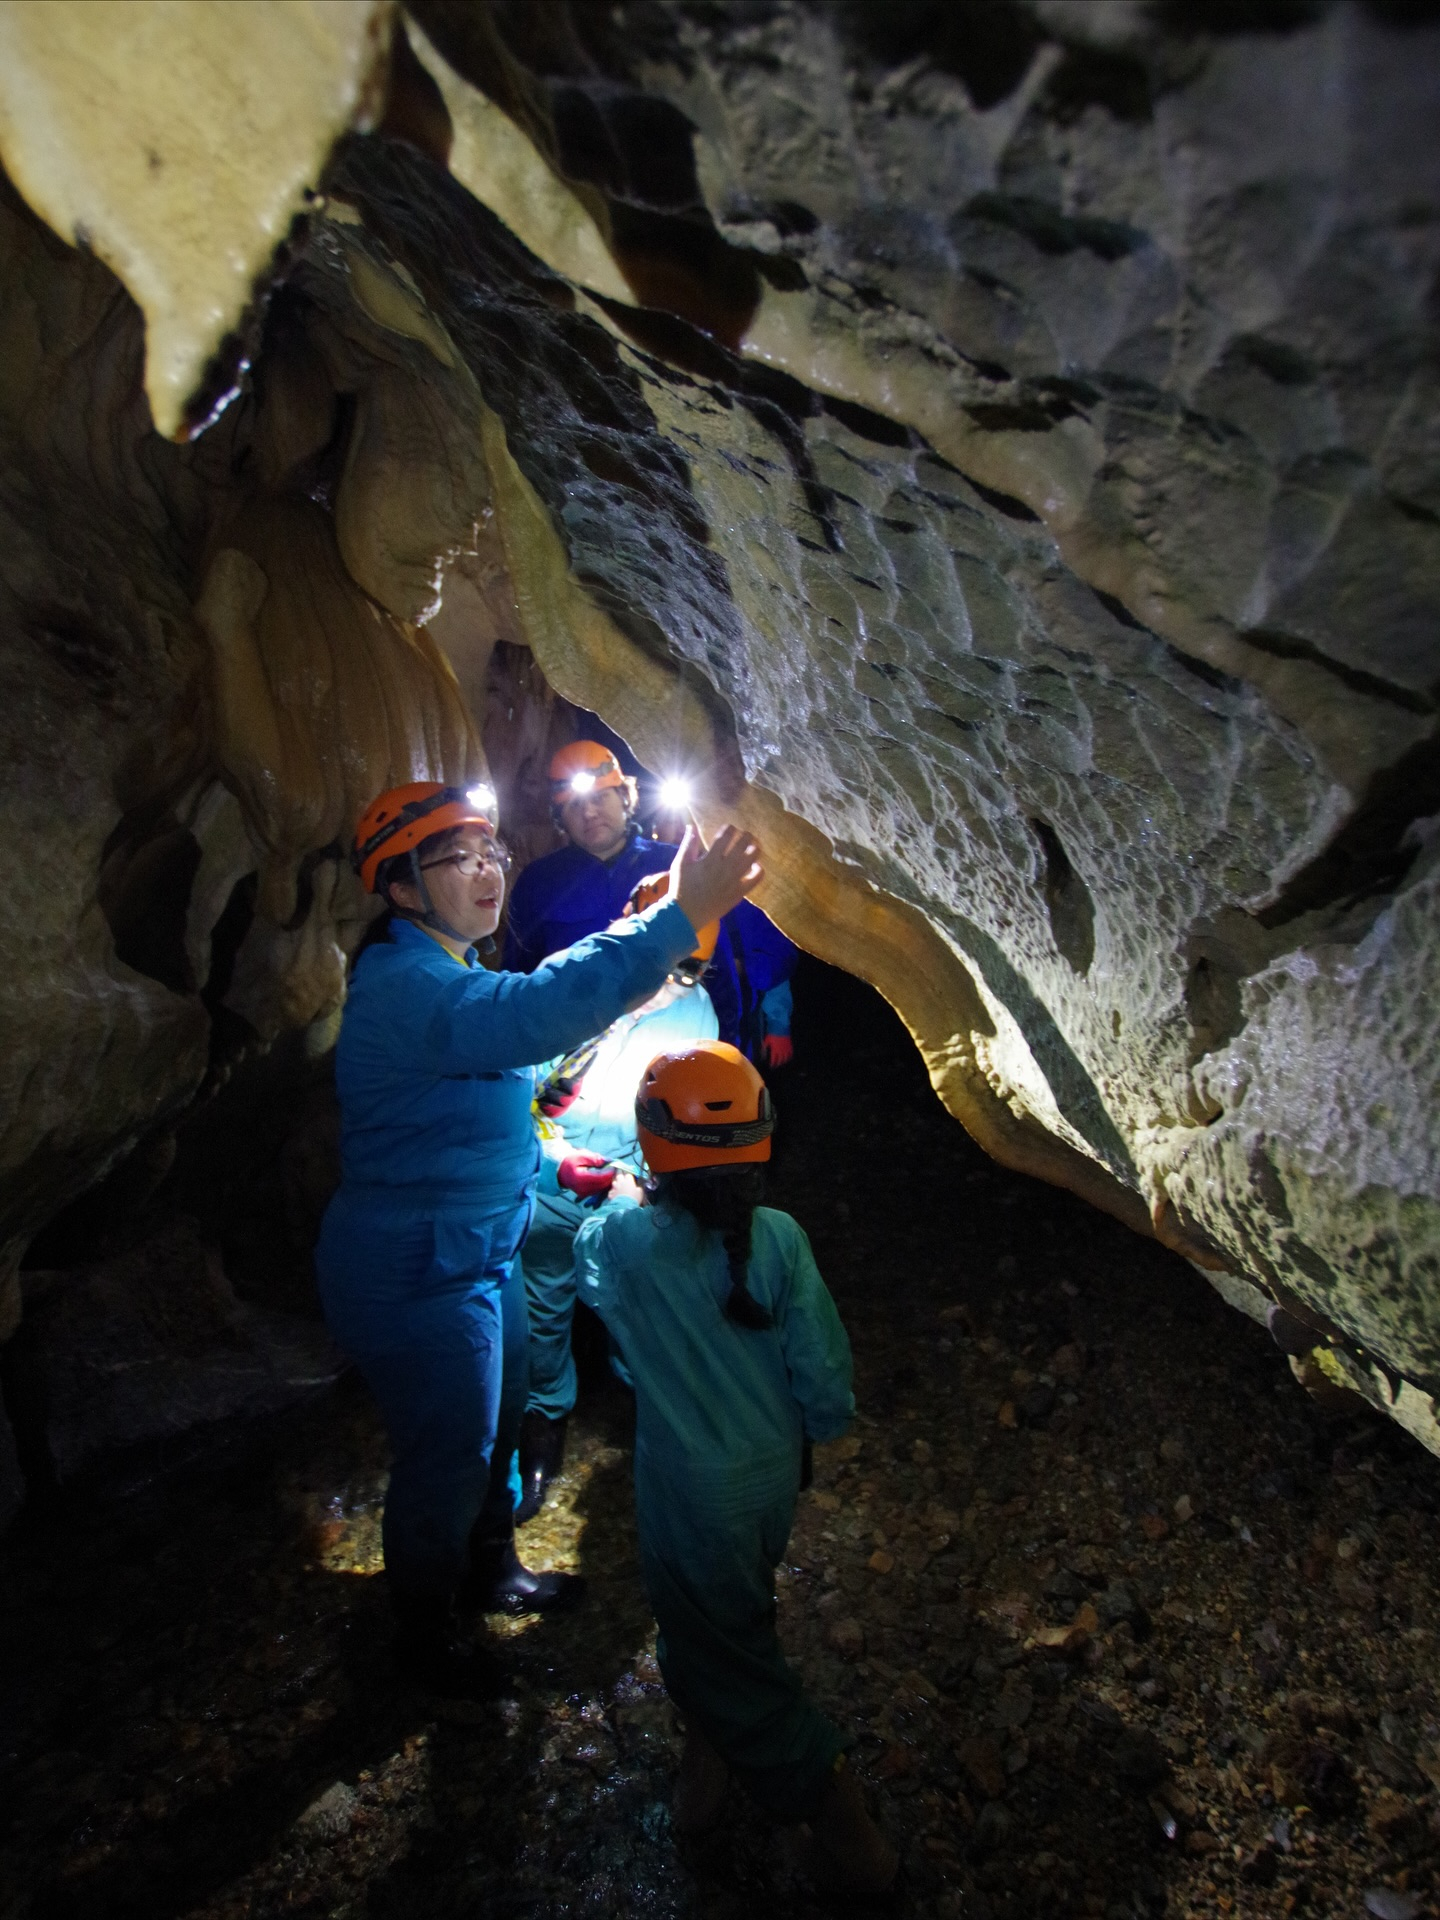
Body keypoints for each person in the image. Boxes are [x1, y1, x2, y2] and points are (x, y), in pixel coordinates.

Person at [315, 779, 763, 1698]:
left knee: (499, 1417)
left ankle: (489, 1569)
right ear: (401, 890)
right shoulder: (407, 985)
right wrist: (679, 919)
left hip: (481, 1246)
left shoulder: (453, 969)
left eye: (490, 851)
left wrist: (555, 1168)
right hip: (415, 1269)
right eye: (456, 858)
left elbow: (497, 1095)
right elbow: (533, 1014)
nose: (486, 870)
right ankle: (425, 1644)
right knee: (449, 1453)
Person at [574, 1042, 897, 1891]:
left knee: (725, 1659)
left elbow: (591, 1272)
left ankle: (850, 1834)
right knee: (732, 1621)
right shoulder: (782, 1239)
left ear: (653, 1145)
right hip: (772, 1479)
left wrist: (613, 1198)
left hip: (689, 1490)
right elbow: (822, 1369)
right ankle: (704, 1773)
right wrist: (826, 1426)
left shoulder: (628, 1243)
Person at [515, 880, 721, 1519]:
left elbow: (695, 1118)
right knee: (539, 1308)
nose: (669, 983)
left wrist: (660, 1186)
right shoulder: (563, 986)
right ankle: (543, 1421)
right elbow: (509, 1100)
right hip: (549, 1182)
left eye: (688, 972)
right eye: (661, 964)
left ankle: (649, 1421)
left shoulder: (695, 1014)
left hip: (631, 1186)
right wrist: (554, 1166)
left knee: (639, 1309)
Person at [504, 739, 742, 1041]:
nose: (589, 812)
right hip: (569, 1053)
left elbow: (719, 970)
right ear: (559, 817)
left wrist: (729, 1052)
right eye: (574, 804)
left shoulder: (676, 864)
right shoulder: (538, 882)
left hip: (670, 1040)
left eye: (600, 797)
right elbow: (517, 977)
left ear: (624, 797)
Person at [726, 897, 800, 1069]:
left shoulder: (751, 900)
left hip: (740, 1026)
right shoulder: (662, 886)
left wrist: (778, 1026)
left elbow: (777, 960)